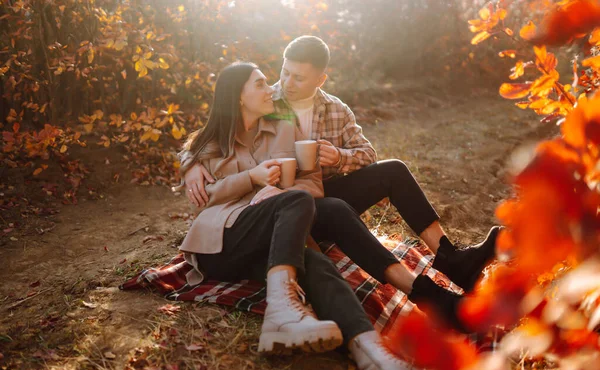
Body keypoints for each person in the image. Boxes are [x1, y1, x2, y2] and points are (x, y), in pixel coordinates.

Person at [174, 61, 439, 370]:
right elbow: (204, 199)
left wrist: (281, 193)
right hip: (222, 241)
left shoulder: (285, 128)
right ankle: (282, 310)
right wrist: (250, 179)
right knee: (296, 200)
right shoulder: (208, 145)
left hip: (275, 237)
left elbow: (312, 182)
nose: (271, 87)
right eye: (259, 84)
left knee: (319, 266)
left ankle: (377, 366)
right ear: (237, 97)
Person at [181, 37, 499, 299]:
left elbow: (367, 154)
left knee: (394, 170)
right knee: (329, 207)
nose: (287, 83)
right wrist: (191, 163)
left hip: (324, 187)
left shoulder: (335, 110)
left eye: (299, 77)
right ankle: (423, 292)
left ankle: (451, 259)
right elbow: (214, 132)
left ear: (320, 79)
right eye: (285, 72)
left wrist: (339, 158)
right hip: (279, 201)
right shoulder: (266, 101)